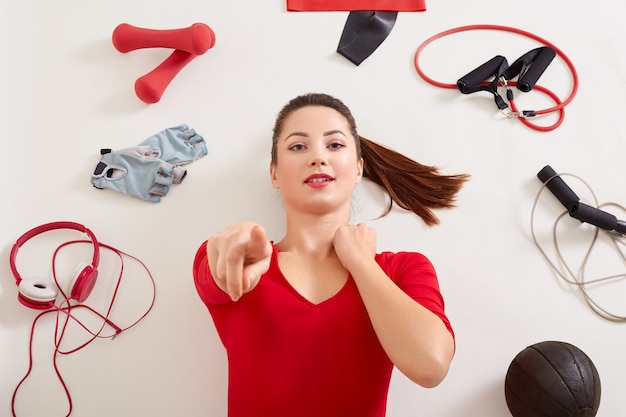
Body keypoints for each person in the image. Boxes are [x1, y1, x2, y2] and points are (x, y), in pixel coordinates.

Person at [193, 92, 469, 417]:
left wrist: (361, 263)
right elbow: (218, 265)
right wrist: (230, 247)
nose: (317, 157)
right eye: (298, 146)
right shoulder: (244, 259)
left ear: (357, 170)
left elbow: (431, 366)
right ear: (275, 174)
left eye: (334, 145)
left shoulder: (403, 269)